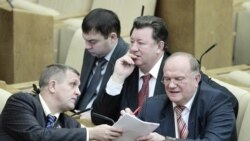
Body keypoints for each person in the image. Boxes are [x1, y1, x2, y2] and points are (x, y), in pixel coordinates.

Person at [123, 52, 237, 141]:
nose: (171, 85)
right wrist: (131, 127)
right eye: (167, 79)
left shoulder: (218, 103)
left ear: (196, 79)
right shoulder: (151, 106)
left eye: (179, 79)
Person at [0, 64, 122, 141]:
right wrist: (90, 133)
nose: (78, 92)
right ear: (53, 86)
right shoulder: (21, 103)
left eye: (78, 87)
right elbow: (36, 136)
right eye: (73, 84)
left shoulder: (69, 122)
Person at [91, 15, 170, 124]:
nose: (133, 48)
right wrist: (117, 78)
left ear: (159, 46)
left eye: (140, 43)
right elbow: (98, 118)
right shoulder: (124, 67)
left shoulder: (177, 72)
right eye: (132, 42)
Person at [74, 8, 128, 113]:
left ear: (112, 37)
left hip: (101, 119)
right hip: (76, 114)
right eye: (85, 40)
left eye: (92, 41)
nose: (87, 46)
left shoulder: (126, 59)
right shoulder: (91, 50)